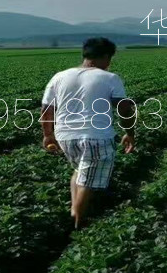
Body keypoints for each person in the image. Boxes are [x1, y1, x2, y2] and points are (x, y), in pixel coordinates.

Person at [40, 37, 136, 228]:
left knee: (80, 171)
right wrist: (130, 132)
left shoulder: (59, 76)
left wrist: (48, 135)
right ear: (107, 57)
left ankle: (74, 212)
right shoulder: (110, 78)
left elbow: (46, 109)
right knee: (88, 182)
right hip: (96, 136)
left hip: (65, 136)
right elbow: (124, 109)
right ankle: (77, 219)